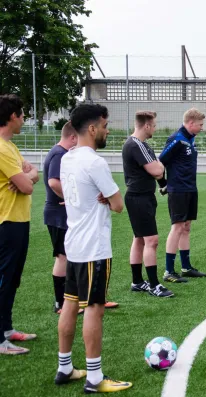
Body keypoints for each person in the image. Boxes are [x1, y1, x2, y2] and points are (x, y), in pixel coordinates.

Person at [56, 104, 132, 392]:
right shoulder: (95, 162)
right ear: (92, 128)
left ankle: (65, 368)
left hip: (74, 244)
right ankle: (95, 378)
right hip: (93, 248)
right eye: (104, 124)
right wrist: (106, 196)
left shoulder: (67, 158)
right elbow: (119, 205)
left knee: (70, 303)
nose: (107, 129)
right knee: (94, 308)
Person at [0, 94, 38, 355]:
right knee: (3, 279)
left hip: (20, 220)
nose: (24, 119)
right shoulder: (1, 148)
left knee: (13, 279)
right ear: (12, 116)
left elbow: (32, 173)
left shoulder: (10, 146)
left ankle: (6, 328)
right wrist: (28, 177)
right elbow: (26, 185)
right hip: (6, 221)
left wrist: (28, 175)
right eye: (23, 114)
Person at [122, 111, 173, 297]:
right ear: (146, 126)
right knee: (151, 240)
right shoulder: (136, 145)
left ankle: (137, 281)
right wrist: (158, 169)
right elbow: (157, 170)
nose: (155, 128)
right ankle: (154, 285)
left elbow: (158, 171)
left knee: (139, 239)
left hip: (141, 197)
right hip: (139, 198)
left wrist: (158, 170)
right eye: (154, 125)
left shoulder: (141, 145)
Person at [159, 108, 206, 283]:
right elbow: (160, 162)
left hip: (190, 189)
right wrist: (163, 184)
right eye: (200, 125)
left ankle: (186, 267)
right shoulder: (177, 139)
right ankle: (168, 271)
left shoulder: (190, 139)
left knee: (186, 227)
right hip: (178, 190)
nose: (202, 128)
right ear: (191, 123)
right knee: (177, 227)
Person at [44, 122, 83, 315]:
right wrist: (68, 198)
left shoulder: (58, 152)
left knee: (67, 256)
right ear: (73, 137)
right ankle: (60, 303)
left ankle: (69, 300)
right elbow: (53, 182)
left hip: (59, 215)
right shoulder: (60, 154)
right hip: (57, 215)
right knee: (63, 257)